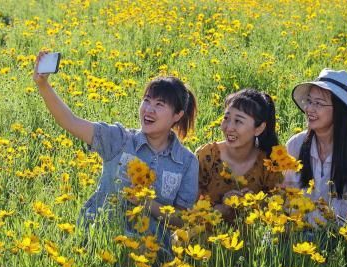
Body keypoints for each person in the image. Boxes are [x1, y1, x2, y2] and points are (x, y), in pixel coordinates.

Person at [33, 51, 199, 245]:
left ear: (177, 115)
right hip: (98, 239)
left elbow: (182, 220)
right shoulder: (119, 139)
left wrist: (147, 203)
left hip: (150, 250)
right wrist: (43, 85)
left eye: (159, 104)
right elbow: (69, 121)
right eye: (146, 100)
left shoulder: (186, 162)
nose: (149, 109)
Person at [283, 69, 347, 225]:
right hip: (297, 235)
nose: (309, 109)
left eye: (318, 103)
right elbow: (287, 195)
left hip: (339, 238)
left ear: (339, 111)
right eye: (309, 101)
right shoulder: (296, 144)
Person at [196, 89, 282, 223]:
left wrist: (254, 203)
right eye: (226, 118)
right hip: (205, 236)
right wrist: (221, 210)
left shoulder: (270, 164)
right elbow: (188, 208)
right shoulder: (207, 156)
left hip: (254, 241)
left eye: (238, 121)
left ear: (258, 128)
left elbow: (278, 212)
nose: (229, 127)